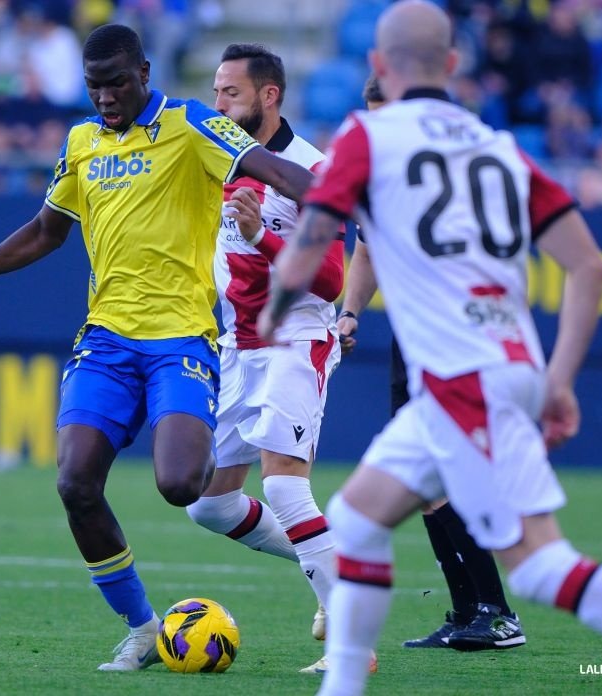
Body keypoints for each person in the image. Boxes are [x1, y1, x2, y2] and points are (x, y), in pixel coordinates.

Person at [259, 3, 602, 695]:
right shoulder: (502, 148)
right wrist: (560, 381)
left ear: (381, 67)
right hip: (503, 367)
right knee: (356, 517)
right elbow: (589, 266)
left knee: (538, 563)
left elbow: (313, 238)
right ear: (452, 65)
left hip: (459, 380)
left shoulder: (368, 135)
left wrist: (273, 311)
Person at [0, 23, 314, 673]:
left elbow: (274, 169)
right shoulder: (81, 142)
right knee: (75, 483)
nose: (106, 98)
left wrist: (344, 198)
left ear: (145, 72)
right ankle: (144, 627)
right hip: (106, 342)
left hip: (181, 338)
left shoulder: (191, 125)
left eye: (117, 83)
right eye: (95, 87)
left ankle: (310, 545)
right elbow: (46, 232)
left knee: (183, 486)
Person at [184, 43, 375, 675]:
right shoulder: (219, 158)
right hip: (238, 344)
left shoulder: (307, 169)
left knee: (285, 485)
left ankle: (352, 646)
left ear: (269, 96)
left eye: (230, 94)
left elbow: (327, 279)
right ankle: (331, 554)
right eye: (214, 92)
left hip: (296, 338)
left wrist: (263, 234)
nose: (218, 105)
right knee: (207, 503)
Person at [336, 73, 525, 652]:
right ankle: (472, 609)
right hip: (413, 336)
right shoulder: (379, 173)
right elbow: (367, 246)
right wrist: (349, 313)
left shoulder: (446, 168)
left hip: (452, 336)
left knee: (441, 470)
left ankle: (495, 613)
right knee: (425, 480)